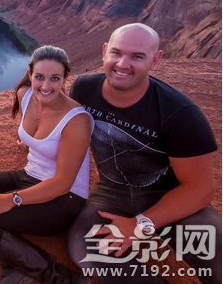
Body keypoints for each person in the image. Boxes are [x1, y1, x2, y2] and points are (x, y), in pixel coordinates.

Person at [67, 23, 221, 283]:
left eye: (137, 56)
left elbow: (200, 189)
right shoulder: (84, 89)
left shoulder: (180, 113)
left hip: (171, 197)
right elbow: (67, 127)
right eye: (116, 53)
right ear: (105, 52)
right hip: (112, 192)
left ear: (155, 60)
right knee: (87, 249)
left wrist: (139, 225)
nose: (123, 64)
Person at [0, 45, 93, 284]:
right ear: (29, 73)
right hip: (30, 176)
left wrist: (12, 199)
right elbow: (34, 140)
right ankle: (11, 263)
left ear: (65, 78)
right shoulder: (24, 95)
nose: (46, 86)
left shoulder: (76, 120)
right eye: (40, 77)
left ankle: (61, 278)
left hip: (64, 200)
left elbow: (63, 183)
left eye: (55, 79)